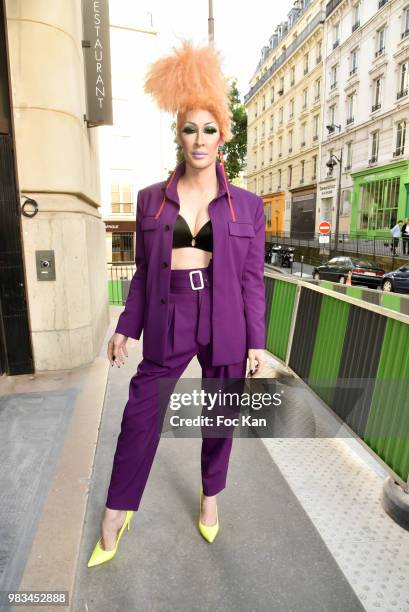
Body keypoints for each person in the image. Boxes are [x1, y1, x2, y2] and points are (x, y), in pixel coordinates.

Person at [88, 40, 266, 567]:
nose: (200, 138)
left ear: (222, 135)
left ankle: (211, 497)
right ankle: (117, 510)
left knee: (220, 415)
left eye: (209, 128)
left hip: (226, 316)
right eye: (190, 127)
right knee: (140, 414)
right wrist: (126, 326)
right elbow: (144, 271)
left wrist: (259, 340)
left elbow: (252, 279)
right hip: (169, 314)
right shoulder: (150, 199)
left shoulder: (248, 207)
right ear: (178, 133)